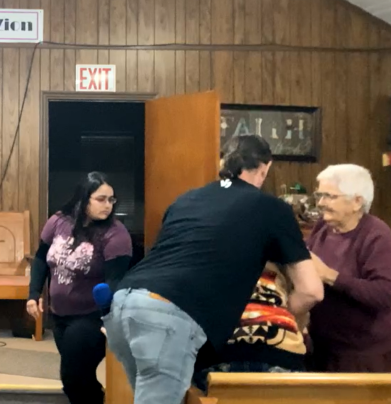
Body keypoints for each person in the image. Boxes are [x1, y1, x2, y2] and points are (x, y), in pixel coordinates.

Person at [103, 135, 323, 404]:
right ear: (265, 168)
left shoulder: (186, 199)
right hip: (168, 313)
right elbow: (312, 291)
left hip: (125, 302)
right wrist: (285, 319)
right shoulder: (271, 208)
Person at [27, 171, 133, 404]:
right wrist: (34, 293)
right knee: (80, 377)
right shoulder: (58, 221)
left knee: (71, 376)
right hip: (60, 315)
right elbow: (41, 258)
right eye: (101, 199)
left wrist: (110, 319)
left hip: (91, 317)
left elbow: (115, 282)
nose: (108, 205)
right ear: (84, 199)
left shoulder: (116, 234)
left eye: (111, 200)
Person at [306, 164, 391, 372]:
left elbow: (384, 293)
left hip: (361, 358)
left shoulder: (377, 236)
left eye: (330, 196)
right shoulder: (322, 228)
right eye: (319, 195)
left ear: (357, 202)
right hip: (322, 347)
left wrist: (331, 276)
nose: (321, 203)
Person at [192, 262, 308, 393]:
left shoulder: (208, 266)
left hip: (221, 358)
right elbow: (311, 294)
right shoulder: (282, 272)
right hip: (284, 360)